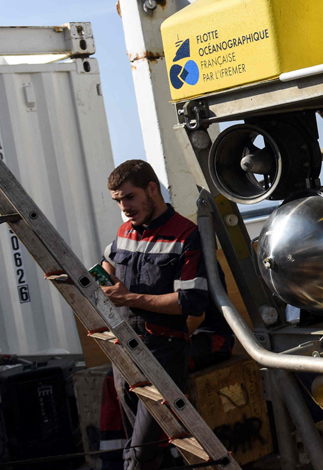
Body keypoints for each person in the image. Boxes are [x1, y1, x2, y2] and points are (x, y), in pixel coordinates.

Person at [101, 160, 209, 470]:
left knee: (142, 450)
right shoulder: (125, 231)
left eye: (129, 197)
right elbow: (108, 261)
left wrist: (129, 298)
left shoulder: (186, 236)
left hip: (162, 351)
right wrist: (101, 280)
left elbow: (191, 302)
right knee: (139, 444)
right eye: (118, 201)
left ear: (152, 189)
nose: (124, 207)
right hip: (123, 350)